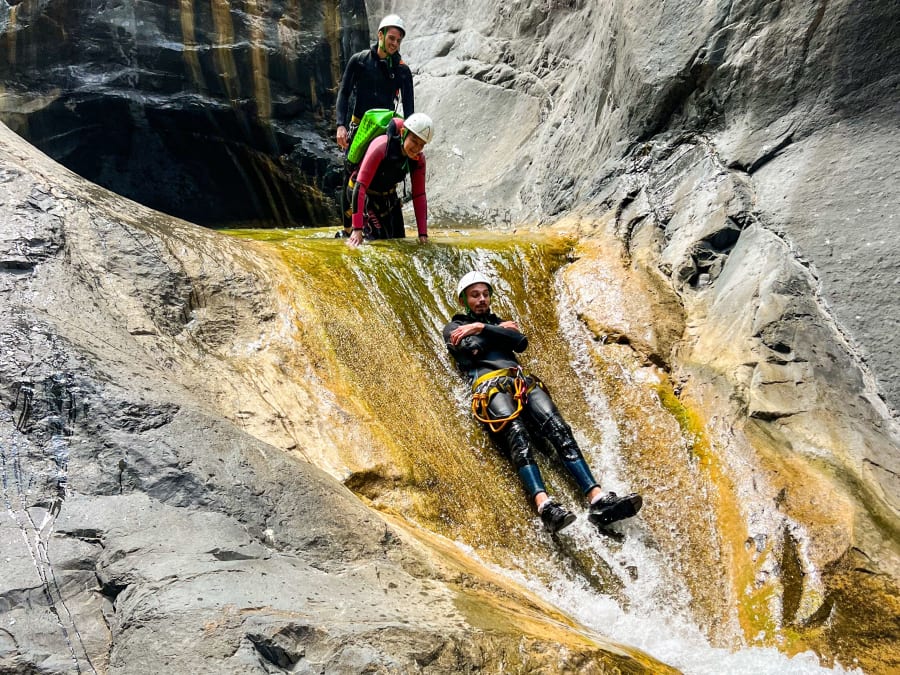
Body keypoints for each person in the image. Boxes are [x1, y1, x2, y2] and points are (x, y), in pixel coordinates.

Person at [442, 272, 644, 533]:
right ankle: (545, 505)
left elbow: (521, 342)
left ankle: (597, 498)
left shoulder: (496, 323)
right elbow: (471, 349)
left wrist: (482, 328)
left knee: (559, 429)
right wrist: (500, 333)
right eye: (475, 295)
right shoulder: (453, 326)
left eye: (485, 294)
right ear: (463, 300)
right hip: (489, 386)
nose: (481, 299)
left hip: (521, 382)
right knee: (517, 435)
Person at [344, 112, 433, 247]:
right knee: (377, 239)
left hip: (388, 197)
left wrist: (423, 235)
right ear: (403, 133)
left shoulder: (418, 160)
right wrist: (357, 229)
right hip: (363, 194)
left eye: (421, 145)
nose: (416, 148)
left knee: (399, 239)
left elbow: (419, 195)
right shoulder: (382, 146)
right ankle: (347, 233)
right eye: (414, 140)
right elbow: (360, 186)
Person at [335, 14, 414, 153]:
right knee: (352, 171)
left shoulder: (402, 71)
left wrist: (408, 135)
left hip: (385, 131)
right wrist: (340, 125)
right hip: (359, 129)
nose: (395, 43)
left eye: (398, 40)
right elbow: (344, 93)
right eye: (391, 38)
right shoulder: (359, 61)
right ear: (380, 35)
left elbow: (409, 109)